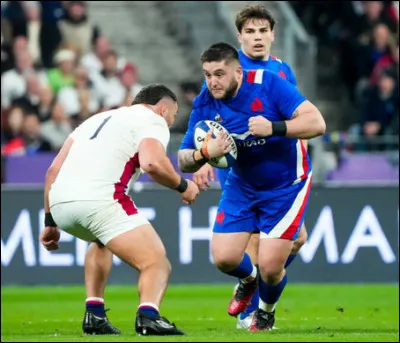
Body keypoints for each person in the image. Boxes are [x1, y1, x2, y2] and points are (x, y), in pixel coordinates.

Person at [178, 42, 326, 331]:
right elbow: (184, 160)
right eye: (207, 74)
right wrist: (203, 154)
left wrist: (274, 127)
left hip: (286, 185)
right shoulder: (205, 101)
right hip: (242, 186)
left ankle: (266, 313)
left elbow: (317, 123)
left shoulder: (269, 83)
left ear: (238, 71)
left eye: (219, 74)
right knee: (224, 259)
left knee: (272, 268)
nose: (212, 82)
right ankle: (248, 280)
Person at [39, 84, 200, 336]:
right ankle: (149, 317)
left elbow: (52, 171)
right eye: (173, 115)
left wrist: (50, 221)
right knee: (156, 262)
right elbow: (152, 163)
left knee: (101, 241)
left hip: (60, 201)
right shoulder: (153, 120)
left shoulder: (97, 119)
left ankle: (94, 315)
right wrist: (182, 185)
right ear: (163, 108)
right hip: (100, 200)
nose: (170, 122)